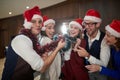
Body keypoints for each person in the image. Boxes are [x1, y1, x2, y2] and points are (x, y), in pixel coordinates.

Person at [1, 6, 65, 80]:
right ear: (28, 24)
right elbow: (41, 68)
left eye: (40, 22)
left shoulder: (32, 41)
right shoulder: (21, 39)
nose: (38, 25)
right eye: (33, 21)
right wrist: (57, 48)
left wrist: (43, 59)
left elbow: (32, 68)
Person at [75, 9, 110, 80]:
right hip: (83, 72)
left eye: (90, 24)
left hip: (99, 74)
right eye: (85, 23)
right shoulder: (82, 33)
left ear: (98, 24)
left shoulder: (104, 39)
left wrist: (87, 56)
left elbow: (104, 64)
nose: (87, 27)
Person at [39, 15, 61, 80]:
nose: (53, 30)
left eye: (53, 28)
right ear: (43, 29)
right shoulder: (47, 41)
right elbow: (52, 65)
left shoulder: (43, 39)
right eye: (49, 28)